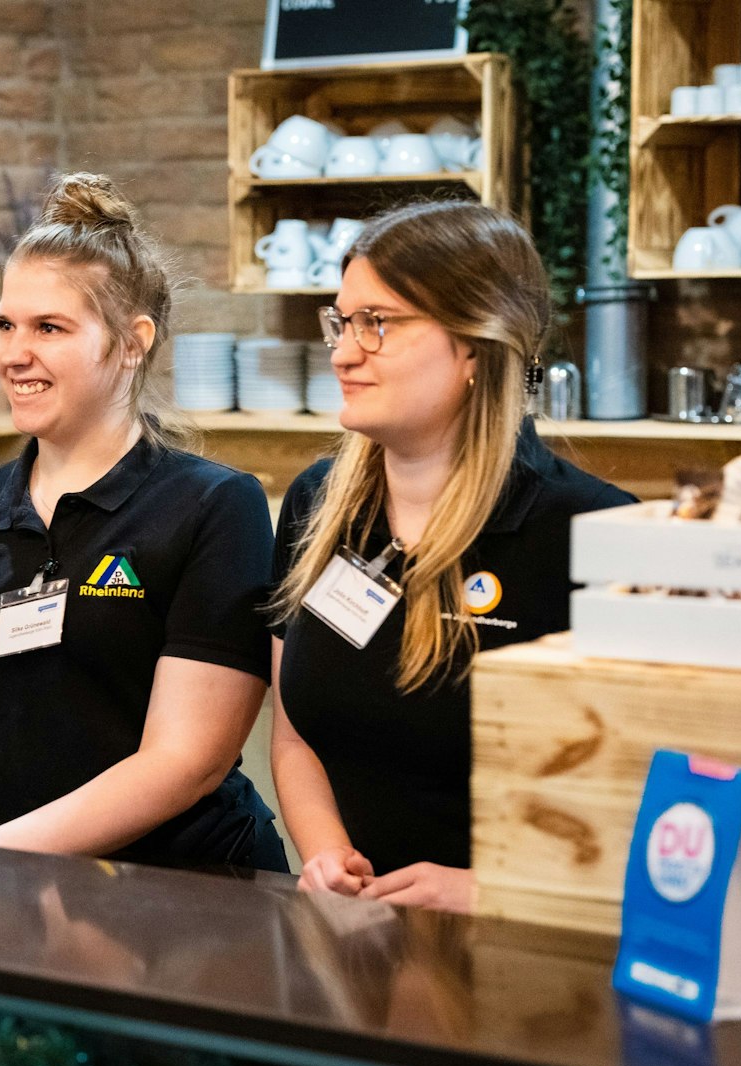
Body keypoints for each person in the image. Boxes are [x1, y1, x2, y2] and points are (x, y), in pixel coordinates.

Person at [0, 173, 286, 870]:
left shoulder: (213, 507)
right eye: (6, 326)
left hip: (180, 890)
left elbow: (184, 761)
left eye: (49, 328)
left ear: (133, 341)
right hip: (0, 882)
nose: (14, 353)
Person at [267, 200, 635, 913]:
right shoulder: (318, 505)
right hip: (355, 942)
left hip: (532, 956)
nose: (344, 351)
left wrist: (491, 891)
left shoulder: (597, 533)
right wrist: (326, 856)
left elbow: (655, 806)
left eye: (379, 322)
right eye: (342, 322)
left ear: (476, 344)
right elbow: (293, 731)